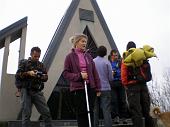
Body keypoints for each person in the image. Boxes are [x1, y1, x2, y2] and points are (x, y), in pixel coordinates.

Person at [63, 33, 101, 127]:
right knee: (81, 113)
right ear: (76, 42)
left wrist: (98, 88)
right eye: (82, 41)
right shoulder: (69, 57)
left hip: (90, 88)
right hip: (78, 89)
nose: (85, 43)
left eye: (85, 42)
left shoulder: (88, 56)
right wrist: (79, 76)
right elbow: (66, 73)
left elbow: (94, 72)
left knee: (90, 112)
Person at [15, 46, 52, 127]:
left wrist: (41, 76)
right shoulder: (24, 63)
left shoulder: (41, 65)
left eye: (39, 56)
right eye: (35, 56)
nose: (37, 58)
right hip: (26, 90)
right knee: (26, 113)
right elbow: (18, 75)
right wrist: (28, 73)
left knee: (46, 112)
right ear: (31, 54)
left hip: (37, 91)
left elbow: (46, 77)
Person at [121, 41, 155, 127]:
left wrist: (126, 84)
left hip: (132, 88)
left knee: (136, 112)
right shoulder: (142, 57)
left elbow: (124, 77)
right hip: (143, 86)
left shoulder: (127, 58)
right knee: (147, 111)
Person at [93, 46, 113, 127]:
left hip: (95, 89)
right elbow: (111, 78)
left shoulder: (92, 61)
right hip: (106, 88)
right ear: (105, 53)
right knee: (106, 110)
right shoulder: (107, 62)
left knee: (95, 110)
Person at [109, 49, 129, 124]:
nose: (116, 56)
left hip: (121, 82)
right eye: (114, 55)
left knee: (122, 100)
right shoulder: (109, 63)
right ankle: (116, 117)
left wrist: (116, 72)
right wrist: (112, 73)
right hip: (112, 83)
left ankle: (124, 117)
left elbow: (123, 71)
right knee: (114, 101)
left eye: (117, 55)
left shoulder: (121, 62)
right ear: (111, 56)